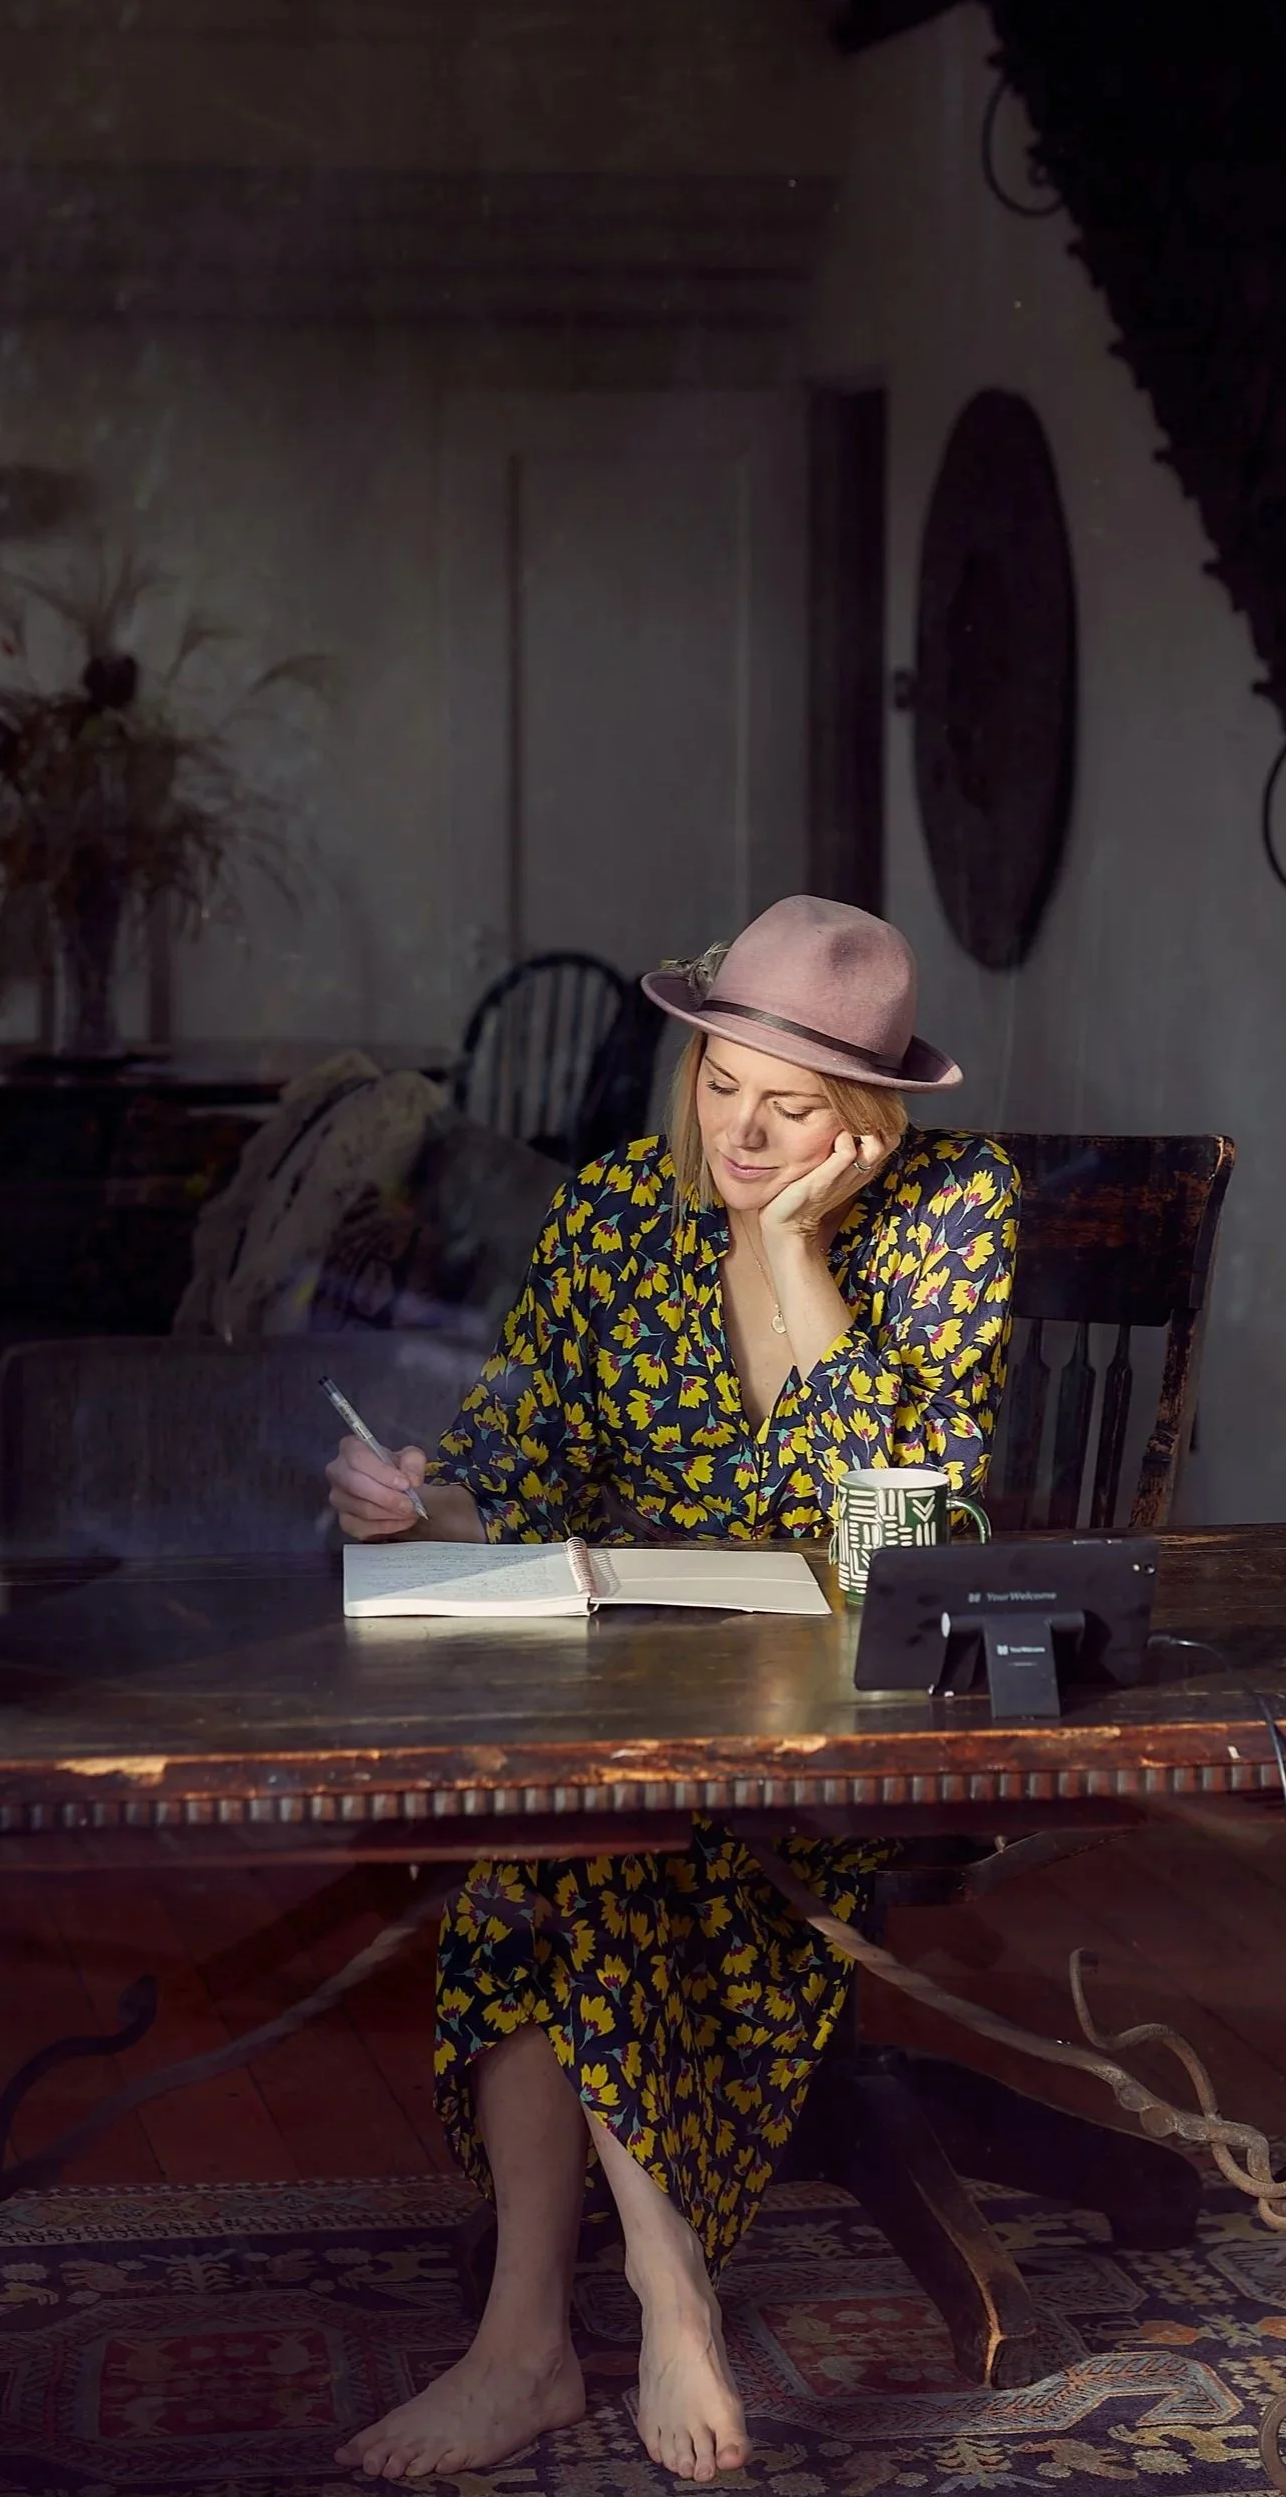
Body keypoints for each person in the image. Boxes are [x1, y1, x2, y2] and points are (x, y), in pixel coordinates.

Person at [331, 894, 1019, 2486]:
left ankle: (577, 2321)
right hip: (641, 1683)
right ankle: (603, 2311)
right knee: (558, 1834)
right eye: (720, 1087)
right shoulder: (619, 1209)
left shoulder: (951, 1211)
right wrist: (418, 1498)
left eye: (791, 1110)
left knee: (587, 1841)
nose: (743, 1134)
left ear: (864, 1115)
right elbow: (520, 1463)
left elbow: (886, 1533)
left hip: (862, 1712)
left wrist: (783, 1257)